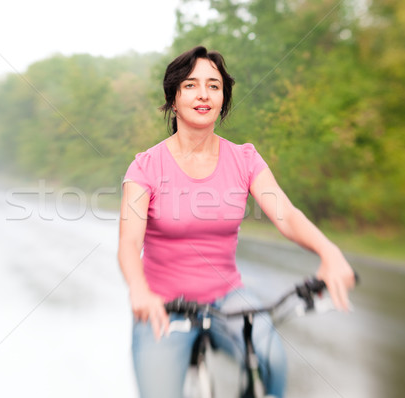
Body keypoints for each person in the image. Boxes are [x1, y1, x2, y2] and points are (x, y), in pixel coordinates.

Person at [117, 46, 356, 398]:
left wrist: (329, 252)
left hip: (227, 297)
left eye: (214, 86)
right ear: (173, 97)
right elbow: (128, 244)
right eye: (191, 85)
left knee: (271, 359)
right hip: (164, 304)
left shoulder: (244, 159)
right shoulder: (145, 167)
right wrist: (139, 290)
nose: (203, 94)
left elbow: (286, 215)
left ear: (224, 97)